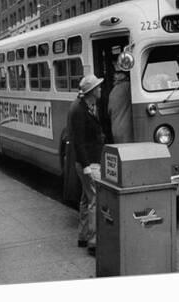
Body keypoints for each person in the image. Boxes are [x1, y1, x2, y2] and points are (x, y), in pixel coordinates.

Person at [67, 74, 105, 256]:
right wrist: (87, 166)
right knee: (95, 199)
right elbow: (78, 141)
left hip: (88, 160)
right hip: (88, 161)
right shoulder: (79, 110)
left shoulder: (85, 106)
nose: (100, 89)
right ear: (90, 92)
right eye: (97, 87)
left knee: (85, 199)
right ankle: (94, 242)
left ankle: (83, 236)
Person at [107, 64, 134, 144]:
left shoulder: (113, 91)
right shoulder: (129, 87)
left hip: (115, 128)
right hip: (127, 129)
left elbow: (109, 111)